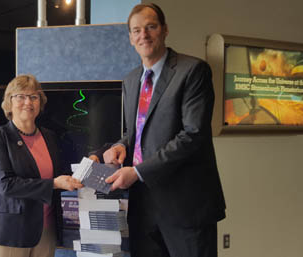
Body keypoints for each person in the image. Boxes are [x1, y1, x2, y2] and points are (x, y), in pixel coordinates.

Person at [90, 4, 226, 257]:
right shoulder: (131, 80)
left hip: (186, 207)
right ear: (130, 38)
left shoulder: (193, 71)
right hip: (143, 208)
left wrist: (138, 172)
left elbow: (193, 134)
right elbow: (135, 131)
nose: (144, 35)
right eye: (137, 30)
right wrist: (120, 145)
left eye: (151, 27)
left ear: (164, 30)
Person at [0, 74, 83, 257]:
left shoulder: (50, 136)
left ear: (40, 103)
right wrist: (54, 183)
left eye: (33, 97)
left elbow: (59, 174)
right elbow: (5, 185)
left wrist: (92, 162)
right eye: (20, 96)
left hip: (46, 229)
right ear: (9, 102)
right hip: (10, 233)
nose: (28, 102)